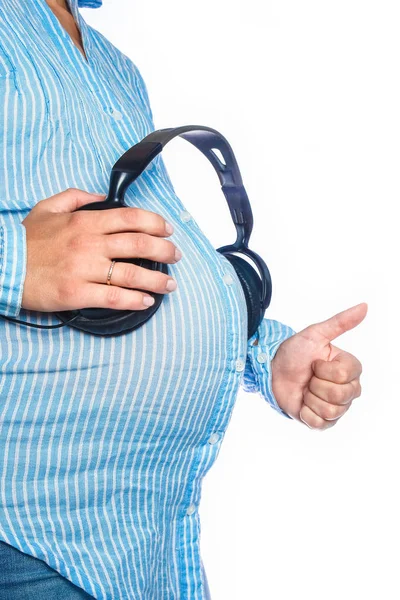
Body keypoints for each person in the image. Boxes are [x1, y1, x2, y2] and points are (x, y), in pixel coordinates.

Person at [0, 1, 367, 598]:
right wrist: (17, 262)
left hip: (142, 547)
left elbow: (141, 252)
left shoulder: (114, 67)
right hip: (28, 538)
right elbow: (43, 259)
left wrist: (261, 354)